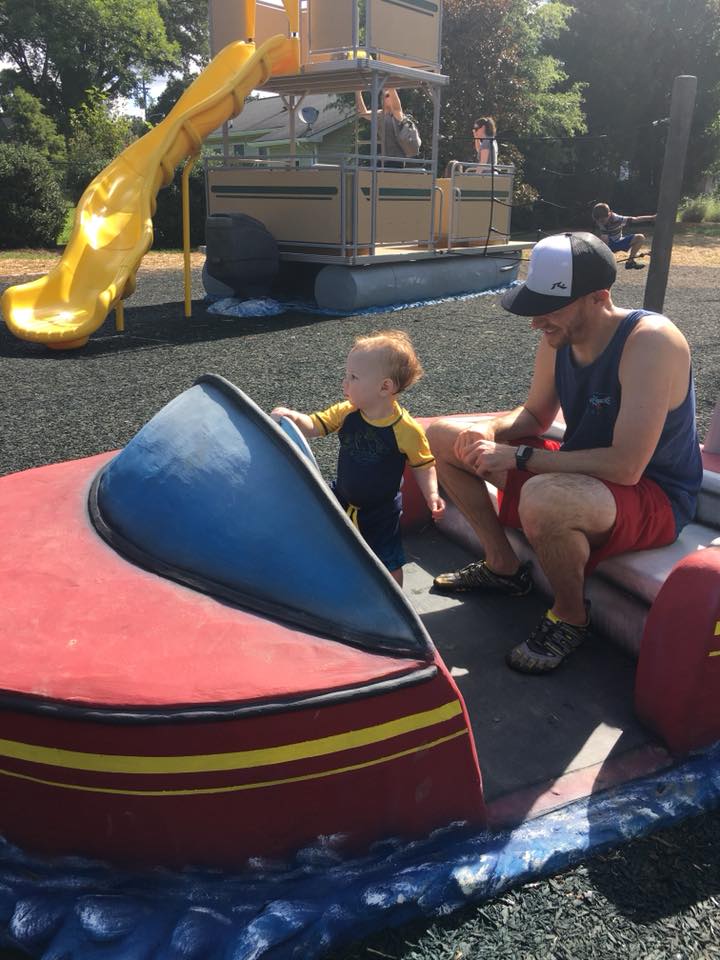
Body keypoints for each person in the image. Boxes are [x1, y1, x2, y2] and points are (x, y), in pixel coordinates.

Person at [427, 232, 703, 674]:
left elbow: (626, 467)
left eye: (549, 308)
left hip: (655, 495)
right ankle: (503, 566)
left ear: (599, 298)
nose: (536, 322)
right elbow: (536, 416)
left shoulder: (651, 341)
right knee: (444, 436)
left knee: (545, 497)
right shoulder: (558, 337)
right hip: (585, 472)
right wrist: (489, 429)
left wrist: (518, 459)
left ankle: (571, 617)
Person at [272, 330, 445, 586]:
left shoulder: (406, 429)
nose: (345, 383)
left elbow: (423, 464)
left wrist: (431, 495)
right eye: (347, 374)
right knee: (316, 519)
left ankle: (394, 599)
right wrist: (293, 417)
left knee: (388, 560)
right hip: (342, 495)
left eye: (353, 377)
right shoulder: (347, 412)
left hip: (380, 512)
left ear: (385, 387)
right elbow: (315, 426)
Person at [592, 202, 656, 270]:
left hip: (619, 242)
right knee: (603, 237)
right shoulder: (598, 219)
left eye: (603, 220)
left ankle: (630, 262)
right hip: (607, 246)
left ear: (609, 214)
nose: (600, 221)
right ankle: (602, 261)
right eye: (598, 220)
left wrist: (651, 218)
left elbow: (635, 219)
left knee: (640, 237)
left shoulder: (617, 219)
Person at [355, 87, 406, 167]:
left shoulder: (397, 113)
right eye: (382, 96)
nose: (383, 98)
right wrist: (358, 92)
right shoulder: (379, 114)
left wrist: (391, 88)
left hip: (397, 158)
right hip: (384, 158)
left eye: (387, 96)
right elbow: (363, 113)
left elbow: (396, 105)